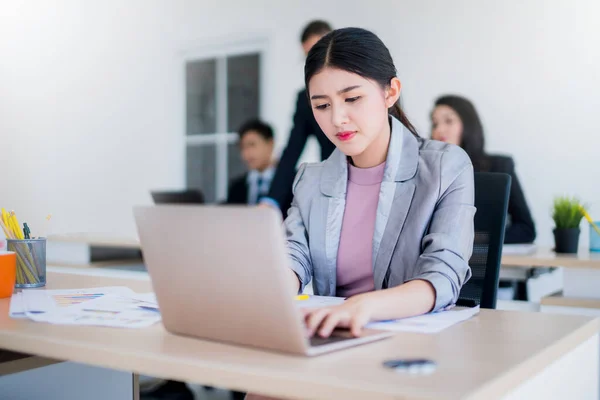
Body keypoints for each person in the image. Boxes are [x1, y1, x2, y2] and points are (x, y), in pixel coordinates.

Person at [284, 27, 475, 339]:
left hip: (411, 344)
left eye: (352, 98)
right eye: (322, 105)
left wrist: (364, 306)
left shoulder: (446, 166)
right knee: (259, 387)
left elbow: (442, 276)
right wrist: (268, 291)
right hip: (335, 338)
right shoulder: (310, 179)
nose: (337, 119)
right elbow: (293, 258)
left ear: (391, 92)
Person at [430, 95, 536, 244]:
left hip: (479, 259)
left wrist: (473, 240)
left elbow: (526, 230)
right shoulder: (429, 171)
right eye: (435, 124)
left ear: (468, 125)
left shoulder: (499, 167)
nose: (439, 130)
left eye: (449, 121)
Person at [259, 20, 334, 213]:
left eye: (319, 53)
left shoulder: (365, 88)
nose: (315, 63)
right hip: (333, 186)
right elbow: (291, 152)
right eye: (309, 58)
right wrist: (271, 199)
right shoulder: (305, 100)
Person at [227, 119, 292, 216]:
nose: (246, 153)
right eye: (242, 147)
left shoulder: (293, 183)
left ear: (270, 144)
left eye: (252, 145)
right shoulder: (236, 187)